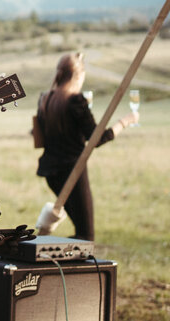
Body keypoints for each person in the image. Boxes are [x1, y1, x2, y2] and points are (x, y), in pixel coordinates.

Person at [35, 51, 137, 241]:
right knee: (86, 235)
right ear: (78, 75)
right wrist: (125, 122)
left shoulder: (45, 99)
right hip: (72, 173)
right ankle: (57, 265)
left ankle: (54, 260)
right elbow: (96, 138)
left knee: (81, 233)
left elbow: (39, 135)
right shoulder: (75, 101)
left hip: (52, 174)